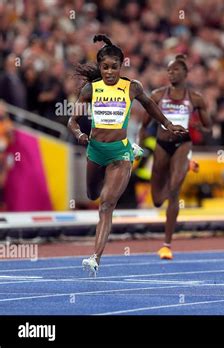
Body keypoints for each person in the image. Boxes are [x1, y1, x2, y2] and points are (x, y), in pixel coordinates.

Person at [68, 35, 187, 275]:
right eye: (105, 67)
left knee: (106, 204)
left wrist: (167, 124)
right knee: (92, 194)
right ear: (100, 67)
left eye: (114, 67)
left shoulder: (131, 87)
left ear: (121, 66)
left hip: (119, 154)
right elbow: (72, 120)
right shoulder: (91, 89)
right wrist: (80, 134)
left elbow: (150, 105)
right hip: (95, 150)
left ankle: (95, 258)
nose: (110, 72)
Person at [140, 55, 211, 260]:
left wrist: (198, 124)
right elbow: (145, 125)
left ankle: (166, 245)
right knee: (156, 199)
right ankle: (184, 167)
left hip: (183, 144)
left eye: (176, 70)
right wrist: (138, 146)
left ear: (186, 74)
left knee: (174, 189)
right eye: (169, 70)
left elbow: (208, 126)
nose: (171, 73)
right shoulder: (157, 95)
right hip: (162, 145)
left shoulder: (195, 98)